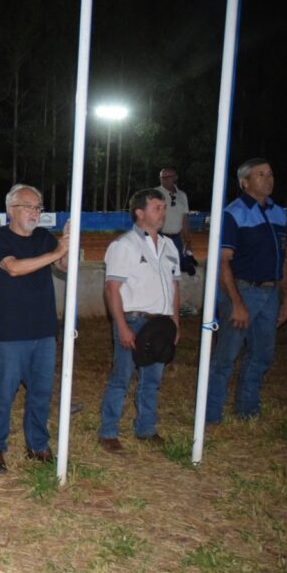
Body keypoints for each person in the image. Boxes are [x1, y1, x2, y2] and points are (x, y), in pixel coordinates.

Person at [0, 185, 69, 473]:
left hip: (43, 330)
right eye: (29, 206)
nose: (35, 212)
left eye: (38, 207)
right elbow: (15, 268)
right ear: (10, 210)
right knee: (4, 394)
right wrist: (56, 252)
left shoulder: (44, 237)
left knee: (41, 392)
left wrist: (67, 247)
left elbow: (65, 266)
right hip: (9, 333)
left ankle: (38, 445)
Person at [206, 159, 287, 423]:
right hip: (243, 290)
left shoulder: (278, 213)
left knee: (262, 355)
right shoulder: (234, 214)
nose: (269, 179)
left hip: (270, 294)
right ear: (244, 182)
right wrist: (236, 302)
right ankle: (211, 415)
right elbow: (222, 261)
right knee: (226, 357)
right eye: (261, 174)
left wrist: (286, 298)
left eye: (270, 173)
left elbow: (284, 259)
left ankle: (248, 409)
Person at [98, 188, 181, 453]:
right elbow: (112, 290)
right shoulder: (124, 246)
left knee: (152, 380)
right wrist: (121, 326)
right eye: (158, 207)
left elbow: (175, 288)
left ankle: (146, 429)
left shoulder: (169, 247)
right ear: (140, 212)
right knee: (121, 379)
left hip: (161, 324)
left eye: (164, 207)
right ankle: (108, 431)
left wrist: (175, 324)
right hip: (134, 321)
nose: (163, 212)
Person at [156, 168, 194, 261]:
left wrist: (187, 242)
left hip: (177, 239)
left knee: (178, 267)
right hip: (159, 238)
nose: (164, 179)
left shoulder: (182, 195)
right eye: (162, 177)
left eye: (168, 177)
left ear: (175, 178)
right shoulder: (154, 194)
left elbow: (184, 220)